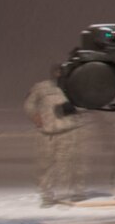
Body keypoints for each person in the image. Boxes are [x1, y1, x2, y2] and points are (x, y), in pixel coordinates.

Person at [23, 78, 85, 206]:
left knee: (67, 164)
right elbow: (29, 104)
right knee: (45, 166)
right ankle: (46, 196)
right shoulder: (42, 87)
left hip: (68, 131)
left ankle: (65, 195)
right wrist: (35, 116)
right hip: (47, 133)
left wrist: (76, 109)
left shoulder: (76, 86)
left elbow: (88, 104)